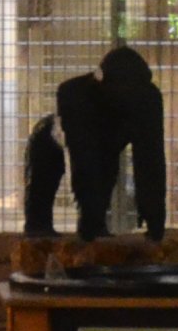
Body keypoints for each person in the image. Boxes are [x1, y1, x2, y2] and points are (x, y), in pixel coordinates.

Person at [22, 46, 169, 243]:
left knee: (106, 171)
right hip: (53, 139)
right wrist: (90, 222)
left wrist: (155, 224)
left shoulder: (148, 98)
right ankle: (43, 226)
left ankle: (94, 225)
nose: (128, 95)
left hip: (106, 141)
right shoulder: (74, 93)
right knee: (48, 179)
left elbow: (151, 162)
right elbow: (84, 161)